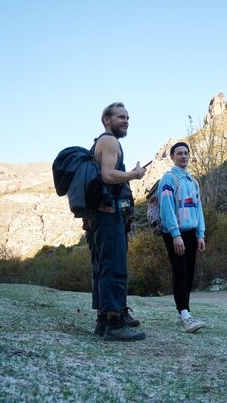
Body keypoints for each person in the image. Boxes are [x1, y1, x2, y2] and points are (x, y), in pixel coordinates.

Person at [86, 102, 147, 341]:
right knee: (114, 268)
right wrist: (134, 174)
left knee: (102, 268)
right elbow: (108, 175)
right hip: (109, 215)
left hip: (99, 216)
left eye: (128, 118)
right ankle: (115, 324)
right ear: (106, 119)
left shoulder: (100, 142)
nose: (125, 121)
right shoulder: (110, 141)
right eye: (121, 117)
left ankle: (103, 322)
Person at [158, 142, 207, 333]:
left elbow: (198, 208)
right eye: (179, 153)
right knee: (180, 272)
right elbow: (166, 208)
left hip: (191, 233)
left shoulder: (192, 181)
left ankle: (183, 312)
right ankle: (185, 315)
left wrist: (200, 233)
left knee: (189, 273)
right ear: (172, 157)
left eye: (186, 153)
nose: (183, 156)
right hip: (174, 233)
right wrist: (175, 234)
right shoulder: (168, 179)